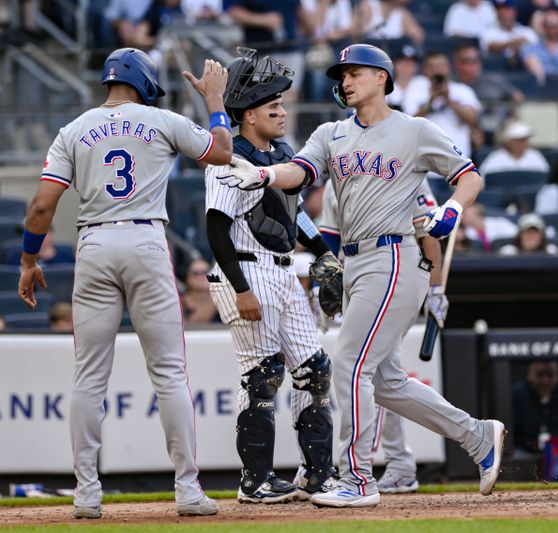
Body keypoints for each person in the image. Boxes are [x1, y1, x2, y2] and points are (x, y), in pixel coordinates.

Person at [215, 43, 505, 508]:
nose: (346, 80)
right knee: (385, 382)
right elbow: (299, 170)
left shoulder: (413, 130)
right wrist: (265, 177)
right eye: (343, 73)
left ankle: (358, 477)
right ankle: (477, 437)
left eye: (355, 72)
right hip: (353, 262)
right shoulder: (332, 133)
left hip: (394, 256)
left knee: (350, 365)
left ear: (381, 78)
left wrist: (453, 208)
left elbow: (468, 176)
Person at [17, 48, 232, 519]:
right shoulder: (160, 118)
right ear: (144, 80)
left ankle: (86, 493)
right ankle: (187, 490)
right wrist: (215, 101)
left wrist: (30, 259)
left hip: (93, 243)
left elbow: (40, 206)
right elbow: (222, 152)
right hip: (146, 239)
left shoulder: (72, 130)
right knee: (169, 373)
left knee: (89, 377)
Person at [204, 47, 339, 503]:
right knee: (263, 374)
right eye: (272, 106)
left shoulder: (280, 153)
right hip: (243, 267)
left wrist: (324, 251)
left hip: (282, 272)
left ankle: (316, 475)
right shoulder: (228, 157)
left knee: (315, 370)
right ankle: (255, 481)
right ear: (245, 116)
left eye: (281, 104)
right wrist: (240, 289)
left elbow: (290, 214)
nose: (282, 111)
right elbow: (215, 228)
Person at [319, 176, 449, 494]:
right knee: (382, 373)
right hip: (354, 277)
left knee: (367, 370)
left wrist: (437, 288)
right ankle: (401, 462)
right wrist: (322, 284)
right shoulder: (336, 175)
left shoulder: (404, 167)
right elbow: (329, 238)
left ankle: (365, 470)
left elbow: (429, 234)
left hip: (396, 274)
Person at [404, 51, 481, 157]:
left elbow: (473, 119)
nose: (437, 70)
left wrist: (448, 100)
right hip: (426, 159)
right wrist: (431, 100)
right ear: (425, 70)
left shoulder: (462, 90)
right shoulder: (415, 89)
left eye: (441, 65)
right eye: (432, 66)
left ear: (448, 68)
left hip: (459, 158)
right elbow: (409, 122)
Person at [478, 122, 549, 178]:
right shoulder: (495, 158)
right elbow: (482, 181)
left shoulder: (536, 156)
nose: (524, 143)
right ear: (509, 142)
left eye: (525, 139)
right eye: (519, 140)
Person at [480, 0, 538, 67]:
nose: (503, 13)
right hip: (498, 69)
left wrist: (517, 48)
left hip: (524, 68)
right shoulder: (488, 31)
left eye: (507, 9)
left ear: (515, 12)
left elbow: (534, 46)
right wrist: (516, 42)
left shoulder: (526, 31)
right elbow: (490, 46)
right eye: (500, 9)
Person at [357, 0, 425, 45]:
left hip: (393, 56)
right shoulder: (369, 6)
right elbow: (356, 35)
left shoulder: (403, 13)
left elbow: (418, 36)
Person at [180, 258, 218, 324]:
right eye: (195, 273)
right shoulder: (180, 302)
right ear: (187, 277)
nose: (201, 277)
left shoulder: (221, 299)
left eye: (205, 272)